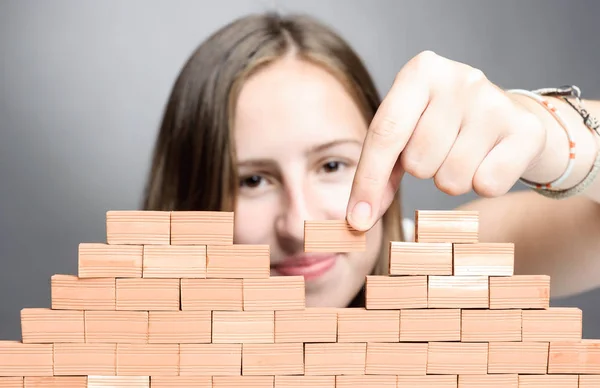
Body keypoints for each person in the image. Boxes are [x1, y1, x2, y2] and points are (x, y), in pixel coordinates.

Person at [143, 12, 600, 309]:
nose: (300, 226)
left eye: (331, 166)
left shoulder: (435, 266)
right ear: (190, 197)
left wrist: (549, 131)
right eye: (253, 180)